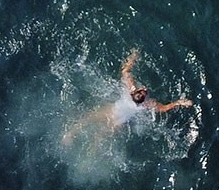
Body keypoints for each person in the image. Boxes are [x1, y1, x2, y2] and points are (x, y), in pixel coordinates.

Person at [64, 50, 194, 145]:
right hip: (119, 121)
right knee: (99, 135)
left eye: (143, 91)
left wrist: (132, 58)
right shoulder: (147, 104)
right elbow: (165, 108)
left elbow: (125, 72)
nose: (145, 90)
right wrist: (180, 102)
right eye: (143, 92)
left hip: (113, 112)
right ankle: (79, 143)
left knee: (91, 121)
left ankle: (71, 135)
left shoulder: (130, 89)